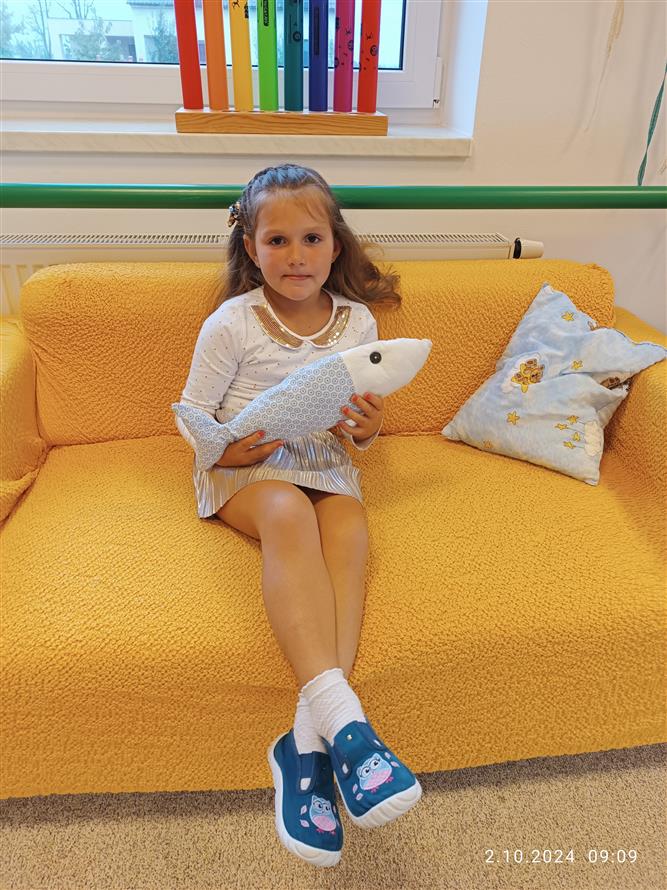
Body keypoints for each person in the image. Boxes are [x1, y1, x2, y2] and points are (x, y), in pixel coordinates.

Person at [174, 164, 422, 867]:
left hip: (326, 462)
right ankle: (348, 724)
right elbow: (193, 416)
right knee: (288, 512)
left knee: (347, 528)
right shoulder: (232, 323)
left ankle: (304, 744)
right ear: (251, 248)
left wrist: (368, 428)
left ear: (335, 244)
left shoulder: (357, 321)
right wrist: (228, 450)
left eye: (311, 238)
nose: (295, 256)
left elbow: (364, 424)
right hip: (246, 467)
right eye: (276, 240)